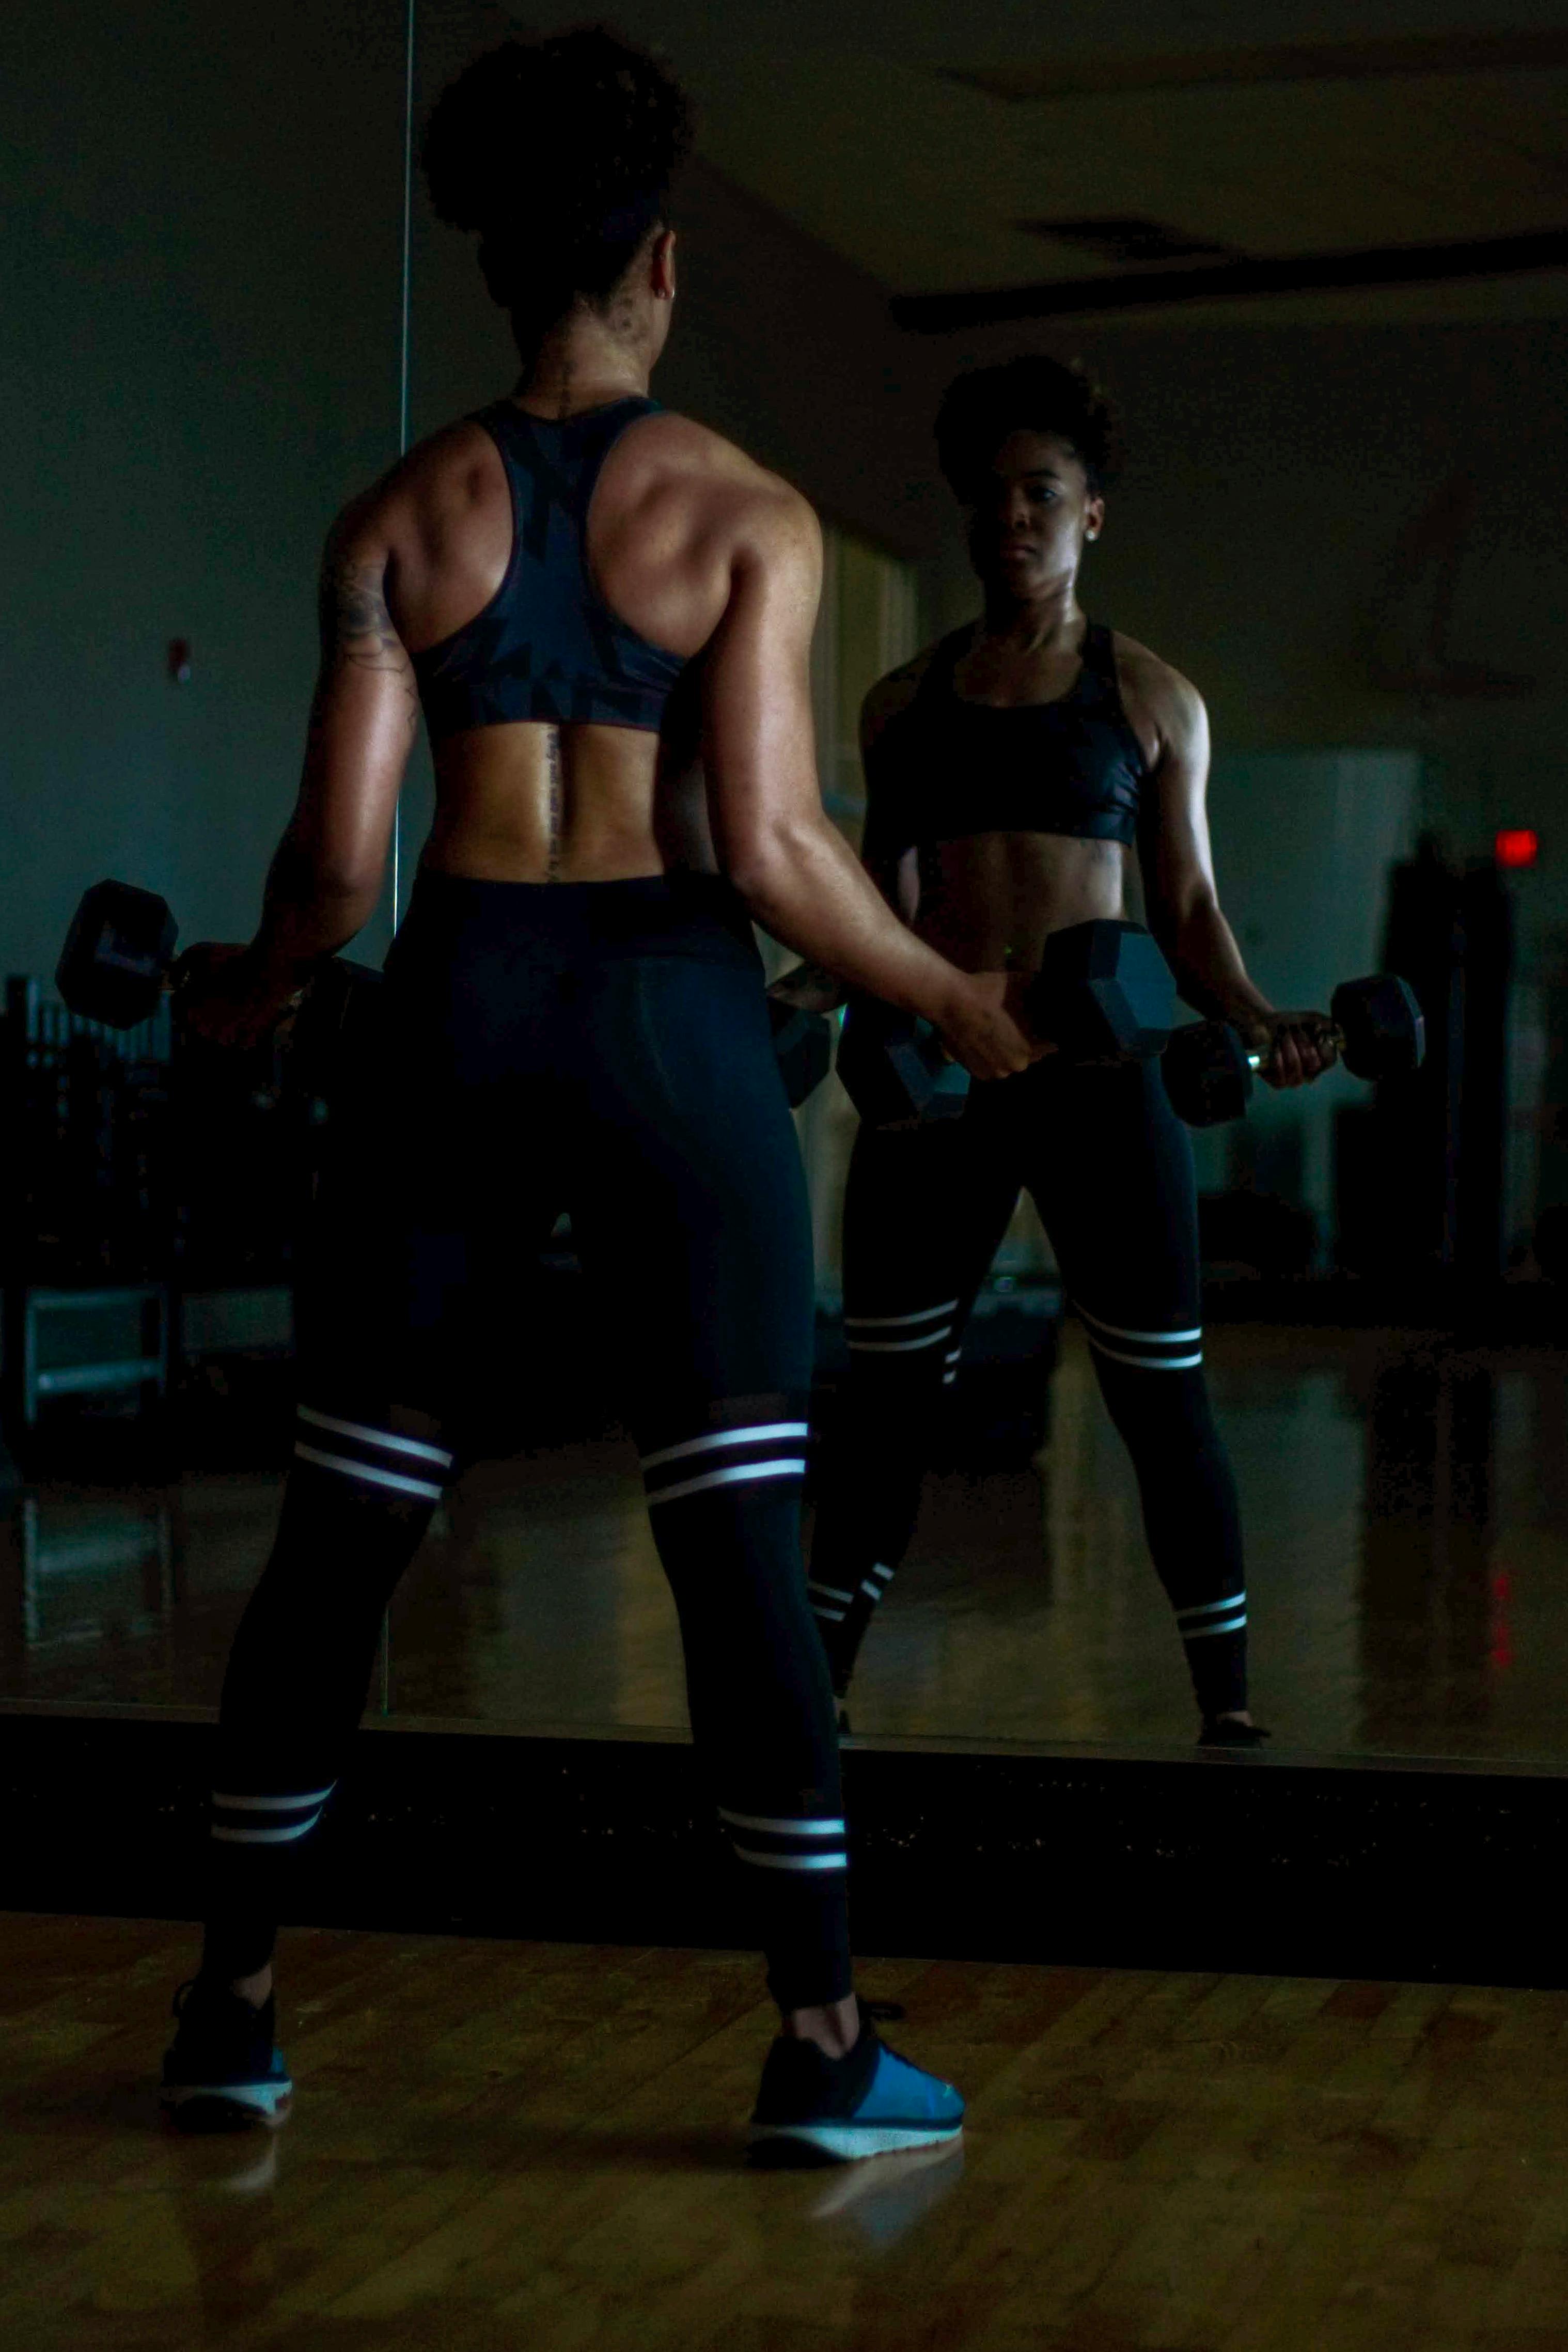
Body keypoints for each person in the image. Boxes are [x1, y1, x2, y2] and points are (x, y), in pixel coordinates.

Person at [156, 29, 1036, 2161]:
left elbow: (331, 870)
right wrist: (958, 992)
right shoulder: (742, 512)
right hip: (666, 1027)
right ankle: (822, 2045)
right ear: (653, 258)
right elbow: (765, 848)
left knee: (342, 1530)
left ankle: (230, 2007)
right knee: (738, 1531)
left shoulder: (396, 516)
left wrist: (265, 987)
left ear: (501, 270)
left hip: (455, 1013)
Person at [800, 355, 1336, 1743]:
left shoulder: (1153, 700)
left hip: (1102, 1089)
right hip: (940, 1089)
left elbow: (1190, 908)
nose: (1011, 518)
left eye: (1040, 492)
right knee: (882, 1408)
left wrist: (1255, 1016)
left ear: (1089, 513)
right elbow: (873, 903)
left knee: (1161, 1405)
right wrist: (791, 995)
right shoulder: (900, 705)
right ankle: (817, 1692)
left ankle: (1224, 1706)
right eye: (989, 496)